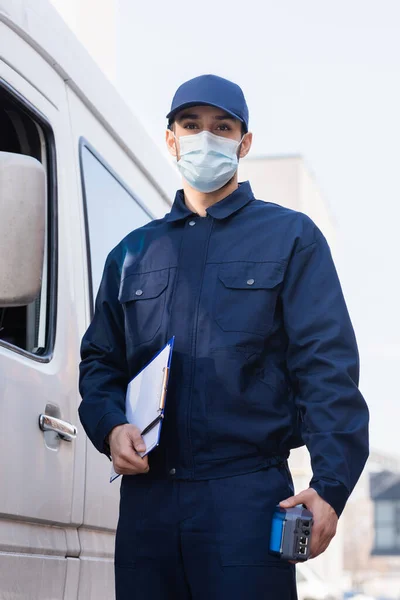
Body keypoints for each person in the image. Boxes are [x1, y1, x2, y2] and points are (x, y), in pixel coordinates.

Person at [78, 74, 369, 600]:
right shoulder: (131, 254)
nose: (205, 138)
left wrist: (331, 486)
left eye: (222, 127)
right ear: (171, 139)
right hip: (148, 503)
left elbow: (326, 369)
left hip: (247, 501)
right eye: (191, 125)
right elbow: (100, 363)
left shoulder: (292, 238)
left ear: (245, 143)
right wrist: (111, 426)